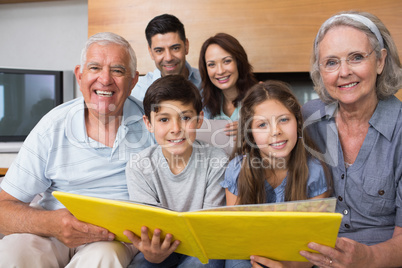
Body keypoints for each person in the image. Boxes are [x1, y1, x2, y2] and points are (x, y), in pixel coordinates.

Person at [0, 32, 154, 267]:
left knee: (104, 256)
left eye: (117, 70)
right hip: (52, 233)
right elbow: (3, 208)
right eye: (95, 68)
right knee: (12, 250)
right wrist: (51, 224)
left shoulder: (155, 124)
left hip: (114, 238)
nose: (105, 79)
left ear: (133, 81)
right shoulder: (52, 125)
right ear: (80, 75)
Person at [299, 11, 402, 268]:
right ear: (320, 71)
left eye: (356, 57)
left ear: (380, 61)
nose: (344, 72)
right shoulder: (307, 118)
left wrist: (368, 258)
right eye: (331, 63)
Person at [221, 80, 332, 268]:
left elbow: (313, 248)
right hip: (247, 256)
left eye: (284, 120)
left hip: (297, 261)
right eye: (262, 125)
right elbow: (236, 235)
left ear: (297, 122)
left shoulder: (315, 172)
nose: (276, 132)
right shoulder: (237, 169)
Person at [124, 74, 228, 267]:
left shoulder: (217, 160)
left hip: (202, 246)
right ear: (148, 123)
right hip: (160, 248)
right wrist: (152, 253)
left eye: (186, 118)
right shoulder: (139, 166)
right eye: (164, 119)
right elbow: (148, 227)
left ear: (199, 119)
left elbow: (209, 227)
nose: (176, 128)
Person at [199, 33, 258, 136]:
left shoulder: (260, 96)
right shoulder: (204, 102)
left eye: (227, 61)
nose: (220, 71)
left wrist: (251, 128)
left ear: (239, 63)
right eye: (211, 65)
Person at [132, 14, 201, 101]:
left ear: (186, 46)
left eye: (175, 48)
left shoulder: (206, 82)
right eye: (159, 50)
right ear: (151, 52)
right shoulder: (138, 92)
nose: (168, 58)